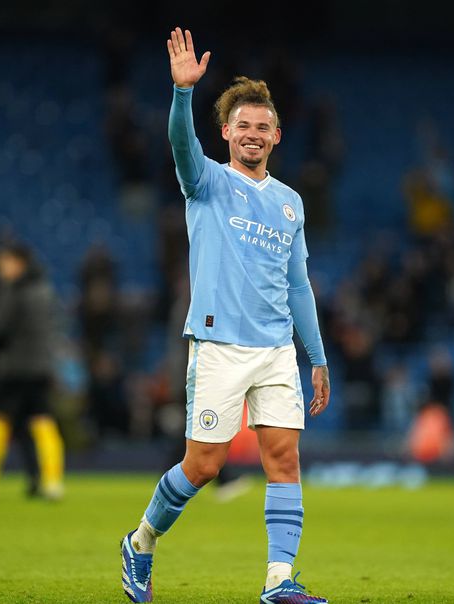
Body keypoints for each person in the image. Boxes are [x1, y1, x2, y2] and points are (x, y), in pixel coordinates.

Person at [121, 28, 331, 604]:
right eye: (243, 125)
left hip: (276, 349)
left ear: (277, 135)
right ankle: (141, 542)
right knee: (205, 465)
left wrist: (316, 357)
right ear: (227, 133)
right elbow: (180, 143)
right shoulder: (207, 181)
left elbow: (298, 285)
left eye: (263, 126)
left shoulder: (290, 202)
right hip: (218, 346)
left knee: (283, 459)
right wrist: (182, 92)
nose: (253, 134)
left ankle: (278, 580)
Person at [0, 244, 64, 501]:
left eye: (6, 263)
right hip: (40, 367)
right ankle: (53, 482)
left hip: (14, 367)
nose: (3, 269)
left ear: (19, 263)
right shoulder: (45, 289)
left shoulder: (12, 290)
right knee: (43, 422)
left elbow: (0, 325)